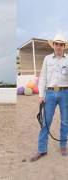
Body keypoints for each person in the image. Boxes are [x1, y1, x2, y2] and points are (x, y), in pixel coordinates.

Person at [31, 33, 68, 161]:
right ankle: (42, 150)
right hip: (50, 93)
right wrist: (41, 95)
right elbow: (42, 78)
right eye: (56, 44)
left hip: (65, 93)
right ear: (54, 45)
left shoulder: (67, 59)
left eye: (61, 44)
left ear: (64, 46)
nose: (58, 46)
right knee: (46, 122)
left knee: (65, 121)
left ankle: (63, 145)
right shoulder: (47, 59)